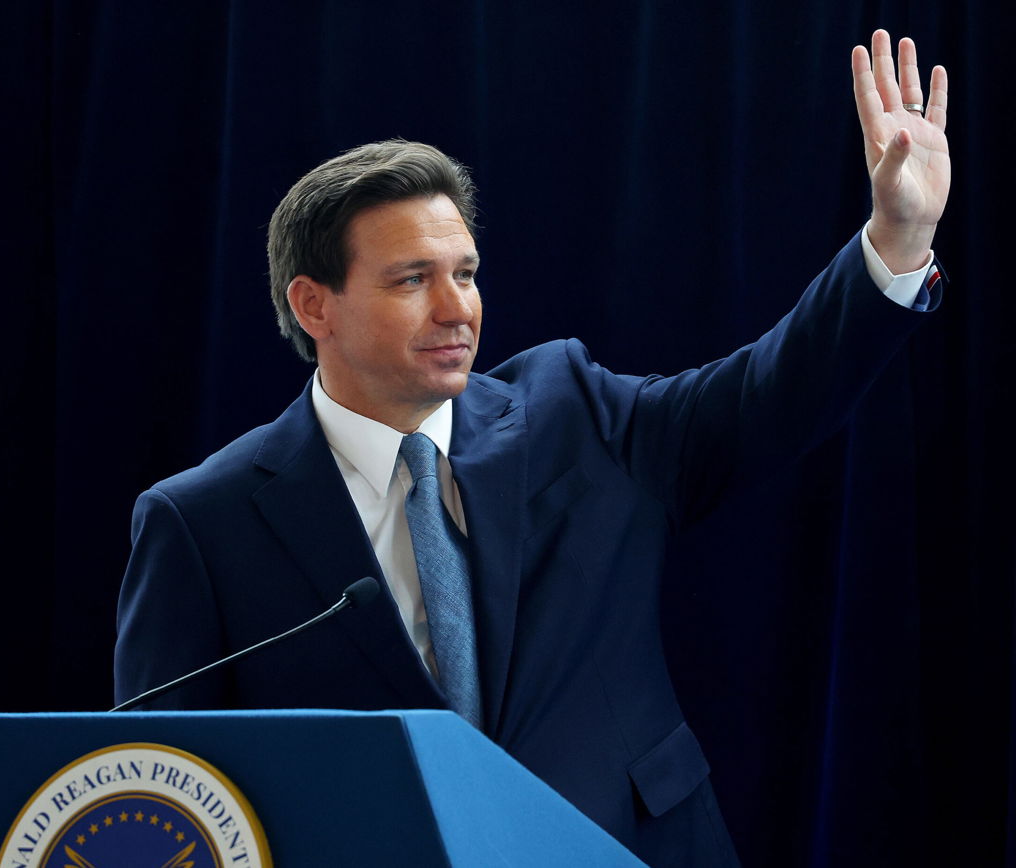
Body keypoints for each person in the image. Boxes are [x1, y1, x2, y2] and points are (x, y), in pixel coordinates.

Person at [115, 30, 949, 867]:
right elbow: (166, 790)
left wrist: (898, 240)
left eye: (466, 274)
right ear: (313, 304)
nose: (457, 310)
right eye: (413, 280)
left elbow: (770, 395)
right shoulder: (203, 522)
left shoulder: (573, 413)